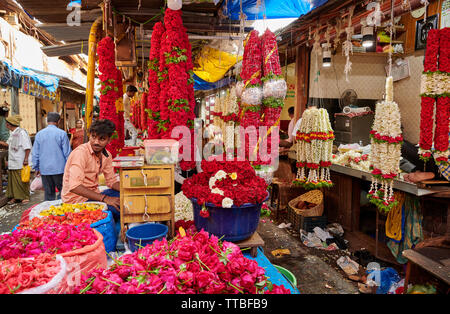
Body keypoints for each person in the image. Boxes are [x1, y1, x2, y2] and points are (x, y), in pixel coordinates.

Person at [61, 119, 121, 220]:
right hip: (76, 200)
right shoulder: (80, 153)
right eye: (93, 137)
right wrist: (105, 199)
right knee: (118, 209)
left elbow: (111, 181)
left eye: (102, 139)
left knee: (125, 199)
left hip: (94, 195)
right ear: (90, 136)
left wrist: (130, 190)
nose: (96, 142)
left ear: (109, 140)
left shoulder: (107, 155)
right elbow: (74, 186)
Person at [32, 112, 72, 201]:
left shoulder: (39, 134)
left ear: (47, 121)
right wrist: (70, 168)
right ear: (58, 121)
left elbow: (35, 153)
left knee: (48, 193)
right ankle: (61, 211)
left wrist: (36, 167)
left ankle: (49, 212)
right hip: (60, 169)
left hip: (45, 169)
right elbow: (67, 153)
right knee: (63, 191)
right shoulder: (62, 134)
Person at [0, 115, 32, 204]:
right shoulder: (13, 133)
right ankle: (15, 197)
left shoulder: (22, 133)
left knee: (21, 180)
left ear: (8, 125)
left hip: (20, 161)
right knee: (13, 181)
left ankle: (24, 197)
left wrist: (26, 159)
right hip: (13, 161)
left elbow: (27, 147)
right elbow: (8, 145)